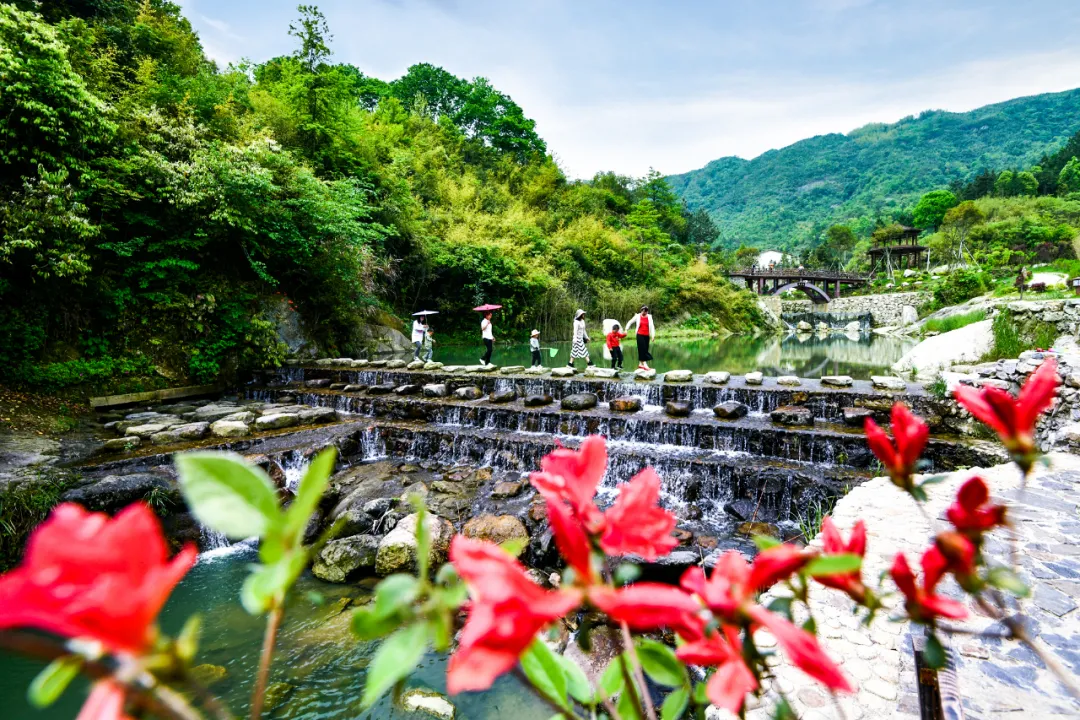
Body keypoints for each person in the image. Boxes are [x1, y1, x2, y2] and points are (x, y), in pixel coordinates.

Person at [625, 305, 656, 371]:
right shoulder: (637, 316)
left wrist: (653, 335)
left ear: (647, 312)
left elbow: (652, 327)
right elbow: (630, 322)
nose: (644, 313)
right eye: (643, 311)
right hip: (640, 335)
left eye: (645, 312)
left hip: (647, 335)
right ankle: (645, 364)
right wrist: (626, 329)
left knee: (645, 349)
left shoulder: (650, 317)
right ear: (641, 310)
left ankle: (640, 364)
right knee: (642, 349)